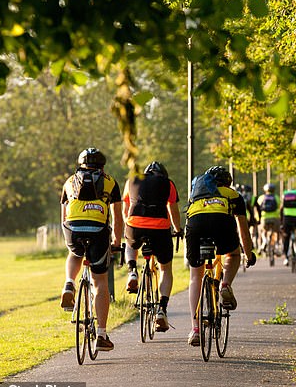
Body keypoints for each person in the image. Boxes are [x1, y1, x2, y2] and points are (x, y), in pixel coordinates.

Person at [60, 148, 124, 352]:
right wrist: (116, 241)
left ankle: (69, 284)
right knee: (100, 282)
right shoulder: (110, 181)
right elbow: (117, 216)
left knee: (75, 253)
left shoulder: (69, 181)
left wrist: (70, 237)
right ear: (102, 166)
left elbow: (63, 217)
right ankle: (102, 335)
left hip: (73, 229)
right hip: (98, 230)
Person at [184, 166, 256, 346]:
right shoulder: (233, 195)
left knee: (195, 276)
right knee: (233, 255)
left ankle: (195, 329)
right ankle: (225, 285)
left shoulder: (196, 193)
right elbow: (243, 231)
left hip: (196, 224)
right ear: (228, 182)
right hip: (221, 223)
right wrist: (248, 254)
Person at [122, 161, 182, 332]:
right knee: (165, 269)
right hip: (160, 228)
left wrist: (129, 223)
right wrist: (177, 230)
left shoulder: (131, 180)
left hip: (135, 224)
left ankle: (132, 271)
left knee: (130, 242)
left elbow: (126, 207)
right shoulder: (168, 183)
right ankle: (162, 309)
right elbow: (173, 209)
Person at [256, 183, 281, 257]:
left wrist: (258, 219)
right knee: (277, 232)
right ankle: (276, 246)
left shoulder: (261, 198)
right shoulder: (276, 197)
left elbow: (258, 209)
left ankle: (264, 241)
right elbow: (279, 207)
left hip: (264, 218)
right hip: (275, 218)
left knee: (263, 231)